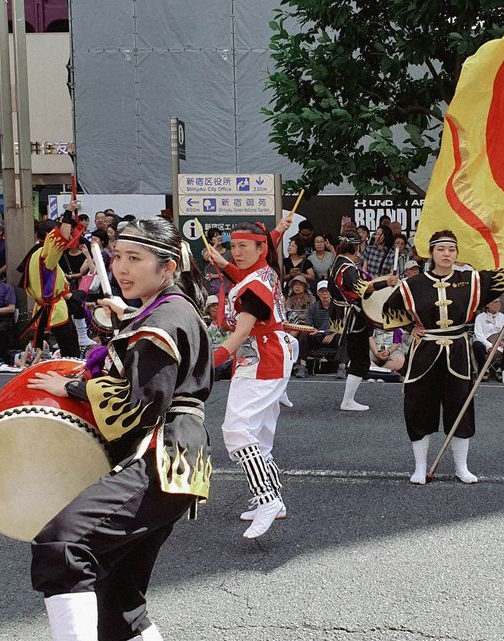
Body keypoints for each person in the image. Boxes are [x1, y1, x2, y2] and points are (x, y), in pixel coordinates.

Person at [24, 215, 212, 640]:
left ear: (168, 267)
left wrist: (74, 386)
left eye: (134, 258)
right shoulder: (168, 309)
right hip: (179, 454)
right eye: (116, 258)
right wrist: (127, 318)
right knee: (117, 600)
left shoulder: (161, 321)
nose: (121, 268)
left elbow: (139, 404)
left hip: (159, 454)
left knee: (63, 544)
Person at [375, 230, 504, 484]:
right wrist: (411, 329)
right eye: (441, 249)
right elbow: (390, 310)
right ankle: (420, 467)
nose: (446, 254)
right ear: (431, 253)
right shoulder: (412, 284)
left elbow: (503, 274)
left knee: (460, 406)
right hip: (425, 352)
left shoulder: (470, 280)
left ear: (457, 253)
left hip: (458, 352)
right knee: (418, 406)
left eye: (451, 250)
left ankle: (461, 467)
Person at [207, 221, 297, 538]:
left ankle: (267, 498)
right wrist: (222, 261)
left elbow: (242, 331)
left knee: (237, 430)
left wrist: (210, 362)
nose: (237, 252)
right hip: (265, 354)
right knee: (258, 433)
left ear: (262, 248)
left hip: (262, 358)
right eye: (233, 246)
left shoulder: (255, 284)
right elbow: (238, 274)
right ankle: (273, 499)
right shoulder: (261, 274)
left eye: (244, 246)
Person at [329, 232, 395, 410]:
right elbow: (364, 289)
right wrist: (386, 283)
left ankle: (348, 399)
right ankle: (347, 401)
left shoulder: (338, 262)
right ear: (356, 246)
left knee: (357, 358)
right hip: (353, 318)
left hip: (344, 315)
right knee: (361, 360)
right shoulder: (347, 268)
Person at [19, 204, 86, 358]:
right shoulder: (46, 255)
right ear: (49, 236)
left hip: (46, 306)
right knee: (71, 352)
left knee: (66, 348)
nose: (67, 238)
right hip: (54, 309)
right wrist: (68, 211)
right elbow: (61, 238)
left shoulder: (34, 253)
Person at [472, 295, 504, 378]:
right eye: (495, 302)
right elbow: (478, 334)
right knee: (477, 345)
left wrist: (499, 347)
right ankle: (483, 370)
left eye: (499, 302)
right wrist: (489, 346)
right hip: (485, 342)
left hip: (499, 344)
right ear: (487, 305)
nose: (498, 304)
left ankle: (501, 369)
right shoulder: (480, 317)